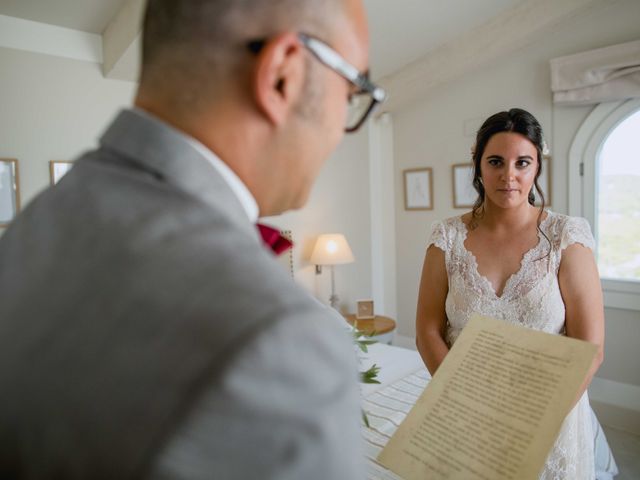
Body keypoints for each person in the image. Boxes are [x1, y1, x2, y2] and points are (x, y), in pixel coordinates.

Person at [0, 0, 386, 478]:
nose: (341, 131)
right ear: (282, 75)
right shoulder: (281, 339)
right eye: (350, 92)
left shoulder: (40, 218)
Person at [415, 108, 618, 479]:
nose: (509, 175)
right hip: (466, 411)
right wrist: (462, 401)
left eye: (522, 162)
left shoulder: (566, 237)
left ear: (537, 167)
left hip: (548, 416)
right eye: (495, 161)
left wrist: (533, 423)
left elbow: (590, 349)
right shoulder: (445, 238)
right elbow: (428, 328)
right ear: (477, 165)